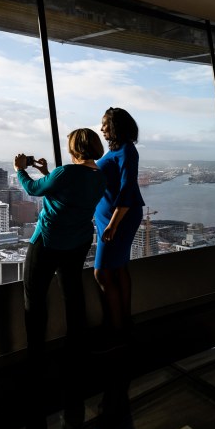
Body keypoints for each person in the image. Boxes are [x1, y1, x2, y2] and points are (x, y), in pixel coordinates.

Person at [14, 129, 108, 429]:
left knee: (34, 298)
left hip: (49, 242)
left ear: (74, 148)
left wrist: (20, 169)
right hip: (79, 242)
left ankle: (36, 361)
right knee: (72, 295)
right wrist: (46, 171)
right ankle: (75, 354)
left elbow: (34, 189)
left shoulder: (65, 173)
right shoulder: (100, 176)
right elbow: (66, 187)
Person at [95, 107, 145, 344]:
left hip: (119, 218)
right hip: (112, 218)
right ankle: (124, 322)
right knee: (119, 268)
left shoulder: (127, 151)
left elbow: (127, 188)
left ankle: (115, 330)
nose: (102, 128)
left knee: (103, 272)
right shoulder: (116, 151)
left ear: (116, 126)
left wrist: (113, 224)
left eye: (105, 124)